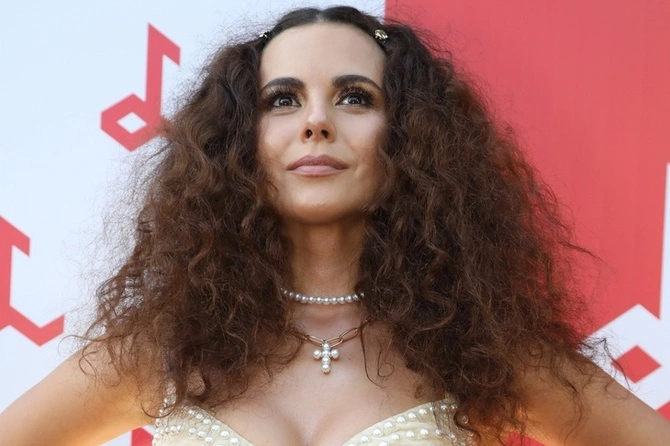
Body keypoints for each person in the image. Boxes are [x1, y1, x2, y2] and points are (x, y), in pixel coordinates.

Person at [1, 5, 668, 446]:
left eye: (354, 97)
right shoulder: (170, 344)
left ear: (410, 138)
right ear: (239, 141)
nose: (316, 122)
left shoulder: (476, 348)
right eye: (282, 100)